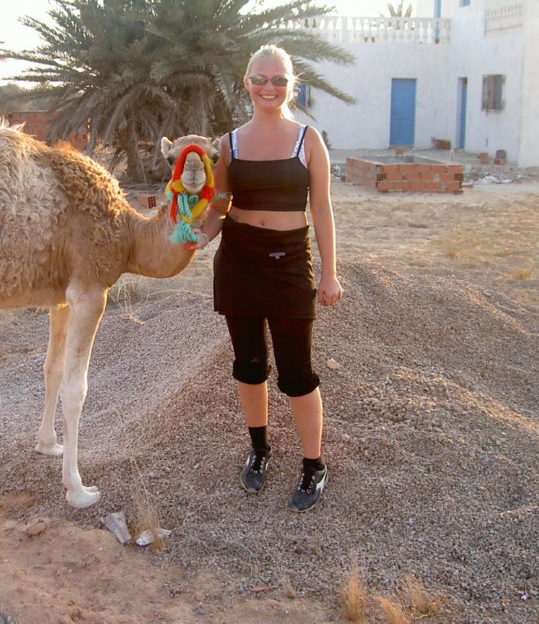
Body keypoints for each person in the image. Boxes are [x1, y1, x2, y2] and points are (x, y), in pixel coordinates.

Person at [192, 44, 343, 512]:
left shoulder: (308, 140)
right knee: (249, 364)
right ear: (247, 83)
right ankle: (259, 450)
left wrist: (330, 272)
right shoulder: (228, 144)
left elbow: (321, 209)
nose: (269, 87)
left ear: (291, 85)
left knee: (297, 371)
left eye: (278, 79)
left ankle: (313, 464)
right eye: (260, 79)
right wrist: (200, 237)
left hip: (290, 263)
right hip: (239, 261)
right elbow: (221, 205)